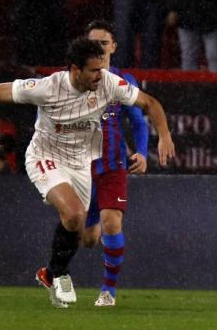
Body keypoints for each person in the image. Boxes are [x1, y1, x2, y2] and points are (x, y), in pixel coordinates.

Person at [0, 37, 175, 308]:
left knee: (79, 230)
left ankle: (50, 272)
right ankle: (61, 274)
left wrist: (164, 135)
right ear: (74, 69)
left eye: (100, 69)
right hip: (45, 157)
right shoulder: (48, 87)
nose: (99, 75)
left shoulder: (107, 83)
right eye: (93, 70)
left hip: (81, 163)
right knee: (74, 213)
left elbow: (150, 103)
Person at [79, 20, 149, 306]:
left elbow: (139, 122)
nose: (99, 47)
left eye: (104, 42)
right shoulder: (75, 79)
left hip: (112, 164)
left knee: (112, 222)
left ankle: (108, 291)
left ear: (114, 47)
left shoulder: (123, 80)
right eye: (93, 42)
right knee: (86, 238)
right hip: (80, 167)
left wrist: (142, 152)